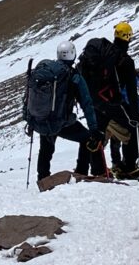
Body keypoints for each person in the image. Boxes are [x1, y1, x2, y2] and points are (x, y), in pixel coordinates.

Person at [76, 21, 139, 177]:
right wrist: (135, 116)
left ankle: (85, 169)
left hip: (94, 100)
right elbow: (132, 93)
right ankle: (128, 167)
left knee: (95, 133)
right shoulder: (125, 61)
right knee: (136, 129)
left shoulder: (103, 54)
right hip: (112, 102)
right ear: (127, 37)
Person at [34, 40, 104, 182]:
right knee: (86, 138)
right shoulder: (73, 76)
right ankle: (81, 171)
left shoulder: (47, 72)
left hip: (44, 120)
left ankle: (43, 177)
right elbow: (87, 103)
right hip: (63, 122)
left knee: (46, 149)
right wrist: (94, 128)